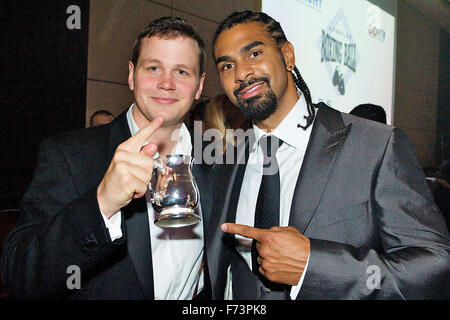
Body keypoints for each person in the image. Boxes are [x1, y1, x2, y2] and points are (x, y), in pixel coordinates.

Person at [206, 10, 450, 300]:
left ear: (287, 55)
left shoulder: (376, 146)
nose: (242, 73)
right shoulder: (226, 162)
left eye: (254, 53)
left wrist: (314, 266)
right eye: (227, 65)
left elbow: (434, 264)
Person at [1, 16, 213, 300]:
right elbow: (19, 277)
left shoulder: (216, 163)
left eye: (182, 72)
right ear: (131, 74)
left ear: (199, 86)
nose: (166, 83)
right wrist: (102, 203)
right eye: (153, 68)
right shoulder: (70, 155)